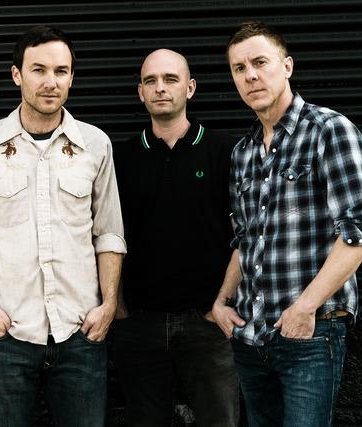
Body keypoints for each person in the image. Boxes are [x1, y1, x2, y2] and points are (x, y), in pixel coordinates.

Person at [0, 25, 126, 427]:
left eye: (61, 71)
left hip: (80, 331)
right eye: (39, 70)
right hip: (8, 332)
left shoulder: (95, 144)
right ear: (17, 74)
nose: (51, 82)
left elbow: (109, 234)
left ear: (72, 78)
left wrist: (108, 305)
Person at [211, 21, 362, 427]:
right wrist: (221, 302)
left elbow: (358, 232)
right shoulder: (243, 152)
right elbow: (245, 238)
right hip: (251, 338)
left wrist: (305, 307)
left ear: (286, 66)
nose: (250, 75)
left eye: (260, 63)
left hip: (310, 334)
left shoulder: (329, 130)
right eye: (239, 68)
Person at [111, 49, 239, 427]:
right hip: (141, 323)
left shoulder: (224, 150)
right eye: (150, 81)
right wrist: (119, 306)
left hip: (208, 323)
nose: (160, 88)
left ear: (190, 88)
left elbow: (245, 234)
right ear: (140, 92)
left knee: (221, 421)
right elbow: (107, 236)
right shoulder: (120, 157)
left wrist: (222, 303)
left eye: (170, 79)